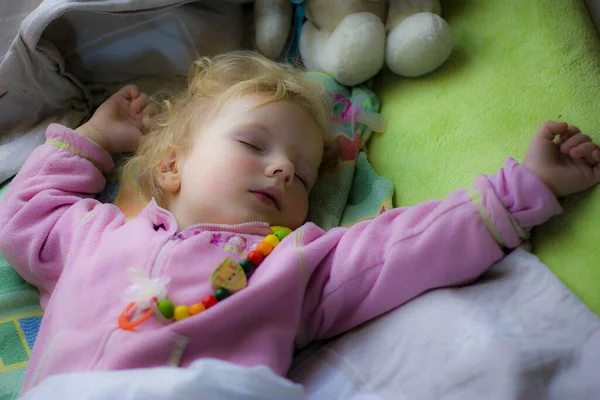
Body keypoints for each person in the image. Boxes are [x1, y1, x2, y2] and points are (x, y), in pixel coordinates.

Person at [1, 51, 599, 394]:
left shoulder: (292, 262)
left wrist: (529, 187)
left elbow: (401, 248)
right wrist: (95, 139)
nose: (284, 169)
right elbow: (27, 214)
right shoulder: (98, 234)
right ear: (171, 163)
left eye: (306, 174)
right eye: (253, 144)